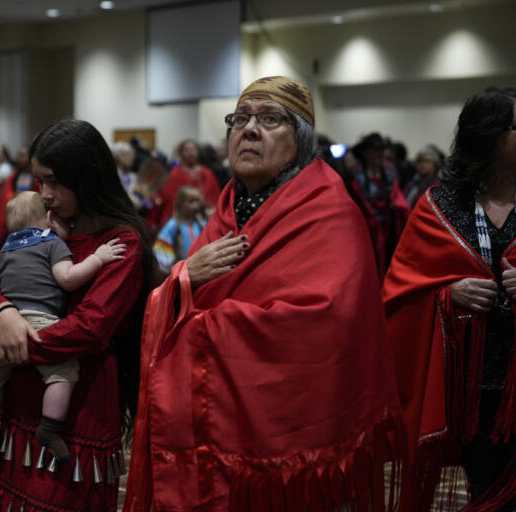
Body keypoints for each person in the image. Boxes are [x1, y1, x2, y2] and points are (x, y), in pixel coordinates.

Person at [124, 76, 403, 512]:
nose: (249, 130)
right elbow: (181, 287)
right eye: (240, 119)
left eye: (270, 119)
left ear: (302, 141)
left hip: (295, 453)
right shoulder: (227, 210)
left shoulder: (329, 211)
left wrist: (195, 320)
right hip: (216, 440)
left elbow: (323, 322)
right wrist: (183, 278)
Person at [0, 119, 155, 511]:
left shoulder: (121, 242)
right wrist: (3, 311)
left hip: (79, 401)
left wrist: (9, 352)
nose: (45, 194)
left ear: (86, 178)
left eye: (54, 182)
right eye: (39, 182)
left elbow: (90, 328)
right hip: (25, 393)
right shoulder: (48, 228)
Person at [383, 86, 516, 511]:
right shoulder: (439, 204)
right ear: (490, 134)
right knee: (485, 488)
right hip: (468, 388)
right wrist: (447, 293)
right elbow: (398, 292)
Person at [0, 190, 126, 457]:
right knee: (62, 374)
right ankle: (50, 427)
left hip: (2, 326)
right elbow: (67, 278)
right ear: (48, 217)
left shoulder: (7, 248)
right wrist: (98, 258)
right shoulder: (51, 243)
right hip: (39, 321)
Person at [352, 132, 411, 279]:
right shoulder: (357, 177)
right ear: (365, 154)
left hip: (390, 230)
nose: (377, 155)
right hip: (367, 232)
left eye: (380, 151)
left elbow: (399, 199)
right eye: (373, 151)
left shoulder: (390, 173)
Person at [149, 139, 222, 230]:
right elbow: (169, 201)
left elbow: (214, 199)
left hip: (204, 220)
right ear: (181, 154)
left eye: (193, 149)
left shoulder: (207, 173)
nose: (191, 153)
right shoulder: (174, 174)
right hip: (180, 223)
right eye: (187, 150)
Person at [153, 185, 206, 272]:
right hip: (181, 272)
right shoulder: (173, 225)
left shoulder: (202, 225)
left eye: (197, 201)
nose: (195, 206)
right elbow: (161, 250)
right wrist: (171, 269)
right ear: (180, 203)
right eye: (191, 201)